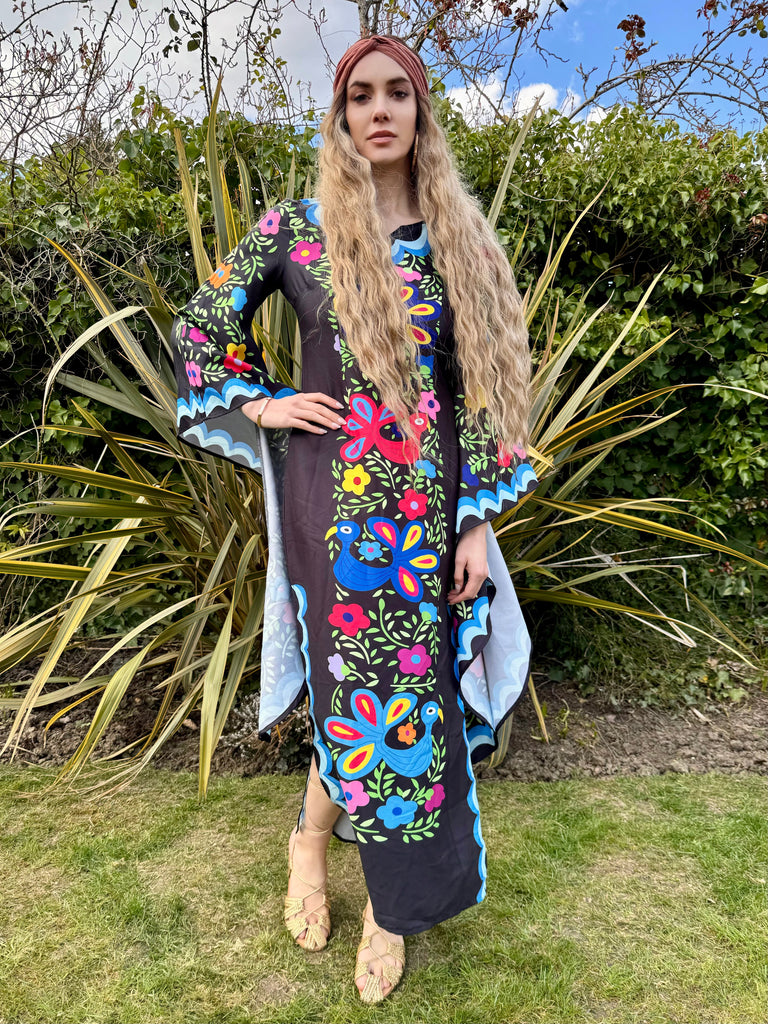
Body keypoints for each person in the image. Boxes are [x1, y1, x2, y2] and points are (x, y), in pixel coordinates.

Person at [173, 34, 539, 1004]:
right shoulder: (297, 232)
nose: (380, 111)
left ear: (420, 111)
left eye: (398, 94)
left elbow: (485, 390)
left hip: (432, 514)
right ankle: (311, 844)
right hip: (328, 511)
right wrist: (262, 403)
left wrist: (474, 523)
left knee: (412, 696)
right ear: (340, 116)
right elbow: (203, 324)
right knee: (354, 691)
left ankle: (387, 900)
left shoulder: (459, 240)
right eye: (360, 96)